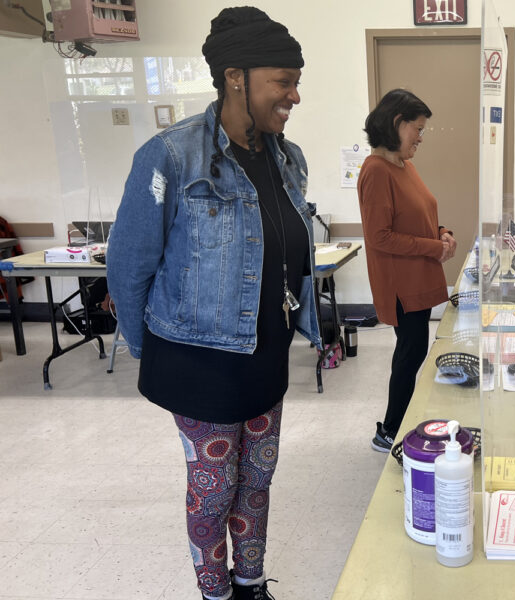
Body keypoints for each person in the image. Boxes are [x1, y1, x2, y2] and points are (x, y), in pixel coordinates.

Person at [107, 7, 317, 599]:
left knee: (258, 482)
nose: (294, 96)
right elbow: (128, 266)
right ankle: (214, 592)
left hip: (265, 355)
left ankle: (250, 584)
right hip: (199, 362)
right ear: (235, 77)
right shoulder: (171, 157)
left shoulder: (286, 158)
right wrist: (158, 353)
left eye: (297, 82)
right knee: (212, 488)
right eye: (284, 81)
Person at [358, 89, 456, 452]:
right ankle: (390, 431)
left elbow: (420, 215)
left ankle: (394, 424)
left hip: (420, 276)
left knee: (412, 351)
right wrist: (434, 247)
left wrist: (442, 232)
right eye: (418, 128)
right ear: (397, 124)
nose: (420, 137)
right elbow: (380, 237)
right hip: (401, 284)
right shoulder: (376, 171)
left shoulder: (405, 166)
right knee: (410, 353)